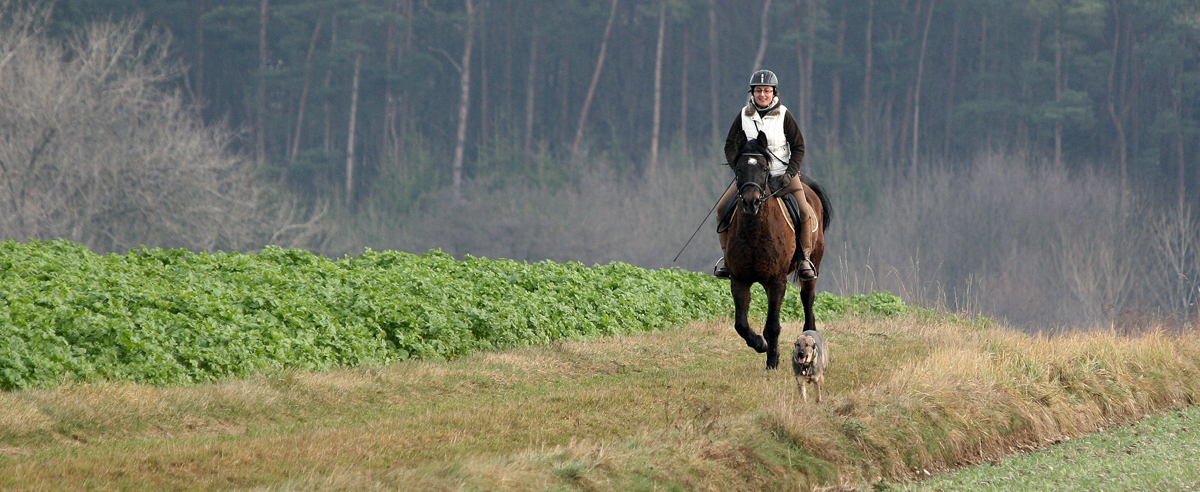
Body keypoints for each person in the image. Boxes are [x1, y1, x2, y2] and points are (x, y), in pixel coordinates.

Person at [713, 69, 818, 280]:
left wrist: (790, 173)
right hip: (751, 178)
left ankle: (804, 259)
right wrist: (740, 169)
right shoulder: (743, 114)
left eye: (767, 91)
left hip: (782, 175)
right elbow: (729, 145)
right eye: (759, 90)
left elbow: (798, 146)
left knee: (805, 211)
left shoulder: (784, 115)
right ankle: (727, 259)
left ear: (773, 93)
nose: (762, 95)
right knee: (722, 208)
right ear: (752, 92)